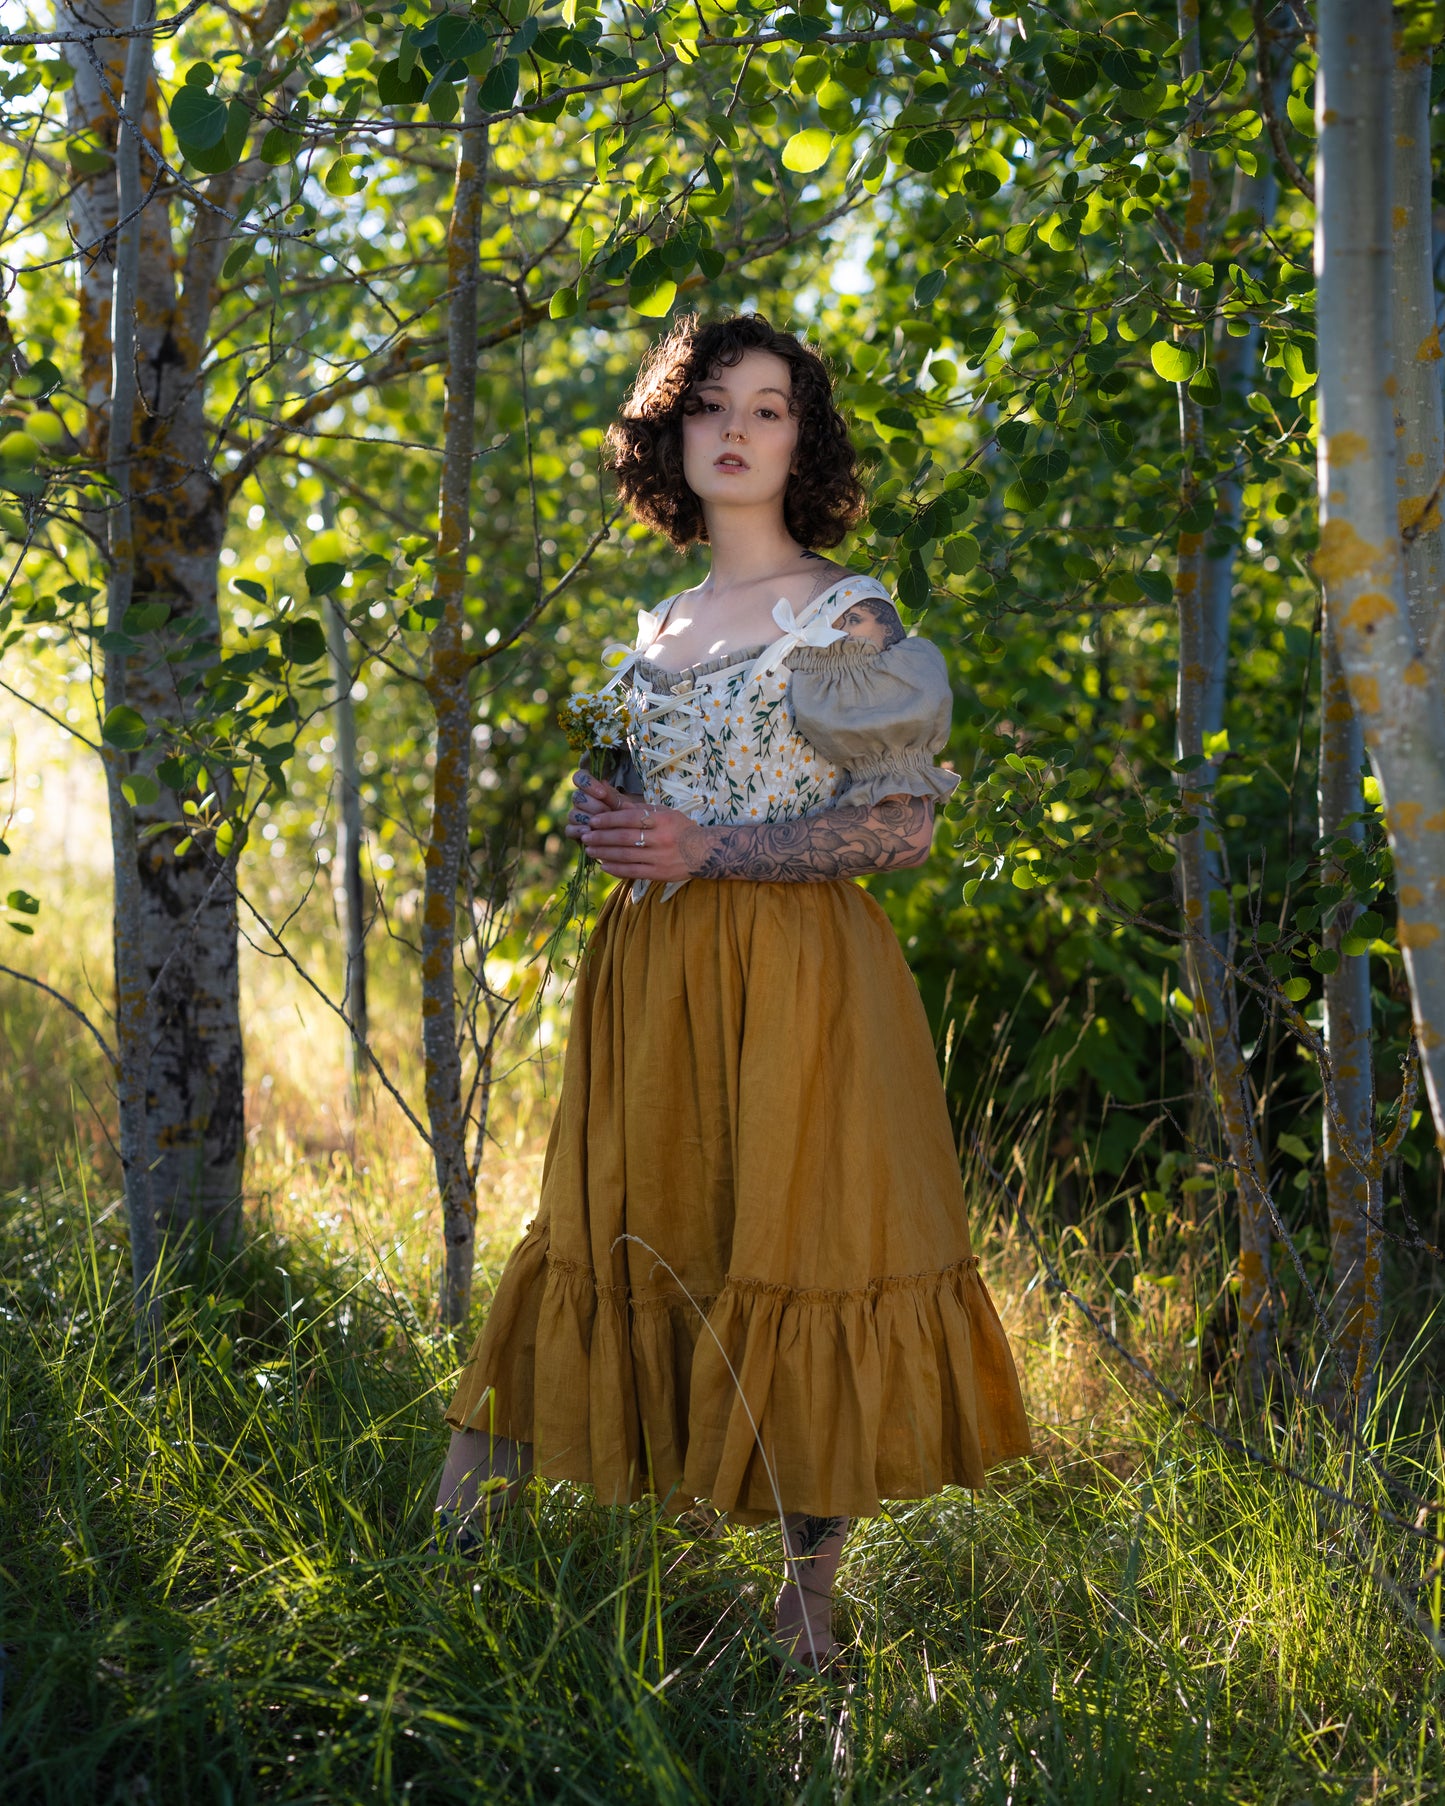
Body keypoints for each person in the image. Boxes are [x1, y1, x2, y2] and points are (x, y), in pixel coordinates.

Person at [434, 312, 1030, 1671]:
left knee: (796, 1243)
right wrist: (620, 816)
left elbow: (899, 828)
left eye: (768, 408)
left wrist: (716, 847)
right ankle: (454, 1562)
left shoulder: (846, 611)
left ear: (798, 442)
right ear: (669, 435)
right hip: (652, 973)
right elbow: (667, 795)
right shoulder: (664, 620)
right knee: (623, 1222)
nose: (738, 429)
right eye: (709, 405)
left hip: (801, 978)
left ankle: (806, 1610)